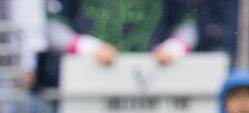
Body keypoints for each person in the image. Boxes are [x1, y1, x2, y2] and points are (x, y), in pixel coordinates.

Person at [45, 0, 198, 66]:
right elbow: (53, 28)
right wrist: (89, 48)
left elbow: (188, 26)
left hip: (152, 77)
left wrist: (173, 48)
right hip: (88, 79)